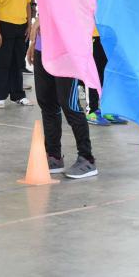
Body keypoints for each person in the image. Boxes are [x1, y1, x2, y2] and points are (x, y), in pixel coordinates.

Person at [27, 18, 98, 179]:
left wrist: (41, 20)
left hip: (67, 49)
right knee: (47, 103)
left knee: (69, 104)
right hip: (43, 47)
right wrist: (34, 43)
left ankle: (87, 158)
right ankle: (54, 156)